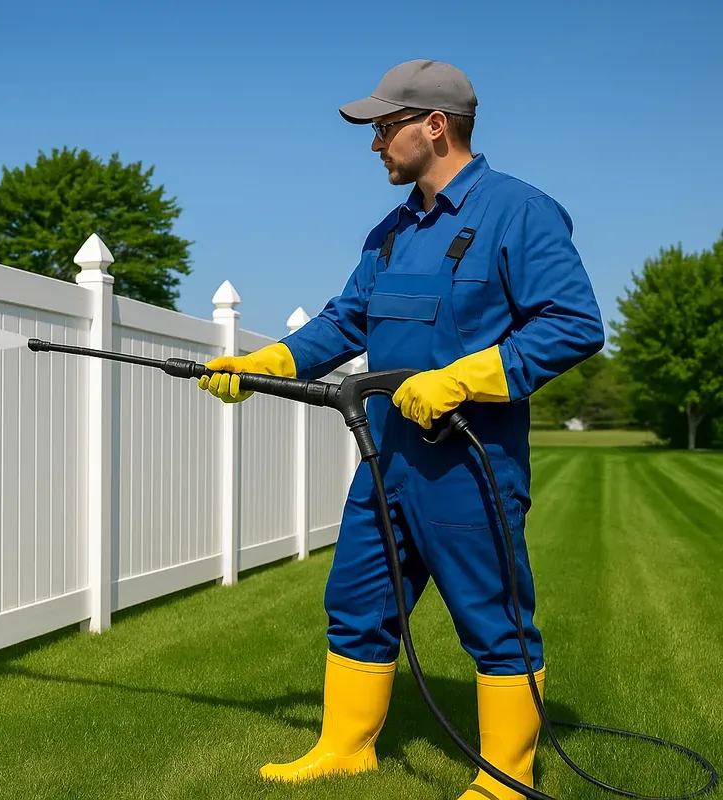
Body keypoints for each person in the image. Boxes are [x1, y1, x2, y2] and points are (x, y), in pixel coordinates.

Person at [199, 59, 604, 799]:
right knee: (356, 601)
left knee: (492, 618)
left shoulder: (520, 212)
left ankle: (507, 780)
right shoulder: (391, 231)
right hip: (385, 456)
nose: (376, 144)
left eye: (386, 128)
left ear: (435, 126)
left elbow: (574, 325)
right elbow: (346, 319)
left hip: (469, 464)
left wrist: (463, 378)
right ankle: (347, 748)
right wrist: (263, 364)